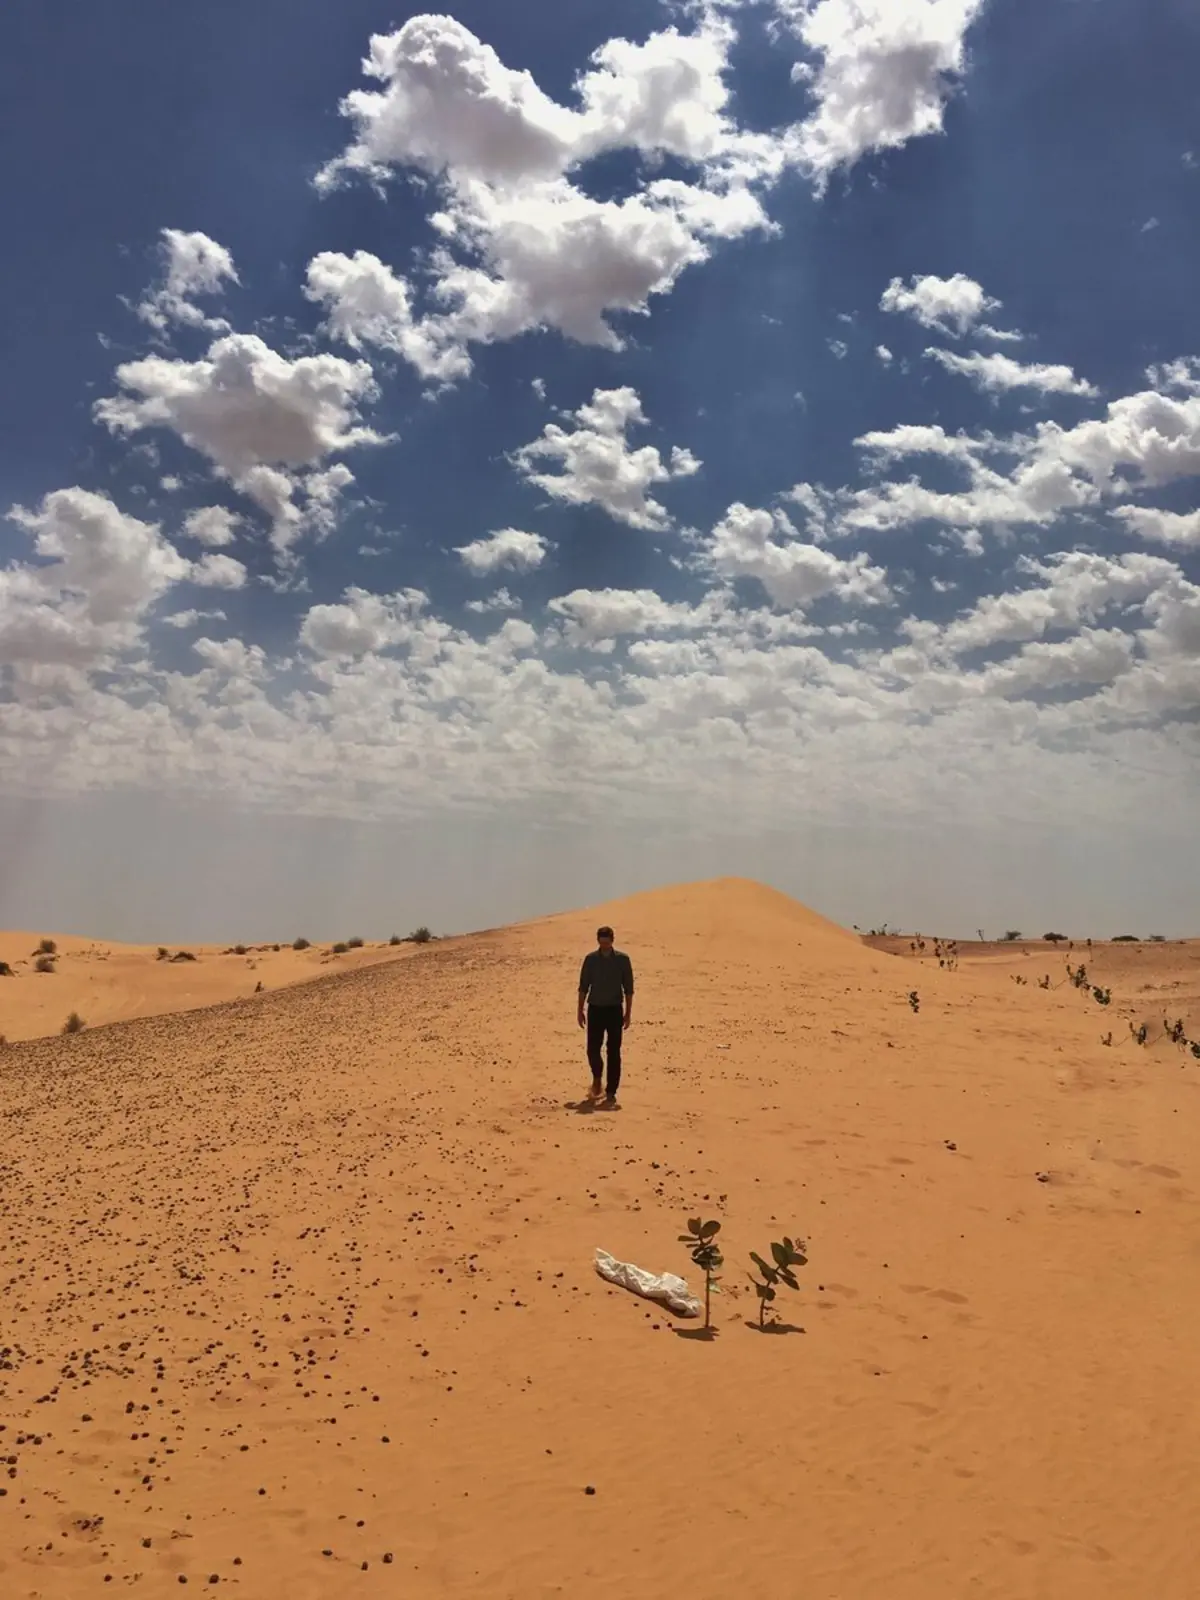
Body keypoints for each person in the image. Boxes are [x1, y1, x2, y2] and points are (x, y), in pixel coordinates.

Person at [577, 925, 634, 1106]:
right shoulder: (591, 960)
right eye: (602, 943)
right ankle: (597, 1077)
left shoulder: (623, 960)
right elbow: (583, 987)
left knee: (613, 1051)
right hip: (595, 1009)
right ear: (598, 942)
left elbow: (629, 989)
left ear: (612, 941)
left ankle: (611, 1091)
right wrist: (580, 1010)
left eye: (607, 943)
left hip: (614, 1010)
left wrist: (628, 1013)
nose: (605, 946)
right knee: (592, 1049)